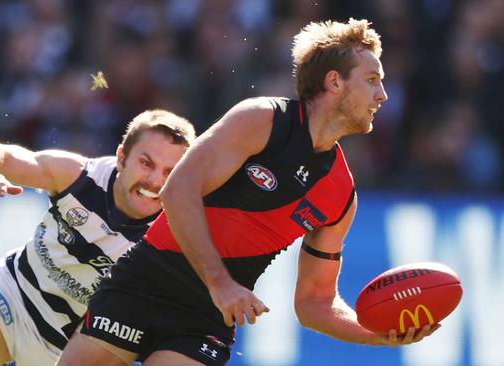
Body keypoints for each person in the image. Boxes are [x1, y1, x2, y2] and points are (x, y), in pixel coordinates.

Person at [56, 19, 440, 366]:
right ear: (335, 82)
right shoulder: (261, 119)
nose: (383, 95)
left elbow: (314, 303)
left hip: (206, 319)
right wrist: (220, 283)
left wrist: (376, 335)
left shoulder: (341, 194)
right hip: (146, 282)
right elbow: (178, 190)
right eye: (372, 80)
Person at [0, 109, 196, 366]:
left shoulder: (175, 231)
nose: (156, 181)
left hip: (81, 346)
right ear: (122, 157)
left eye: (170, 172)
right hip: (14, 297)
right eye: (146, 163)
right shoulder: (79, 176)